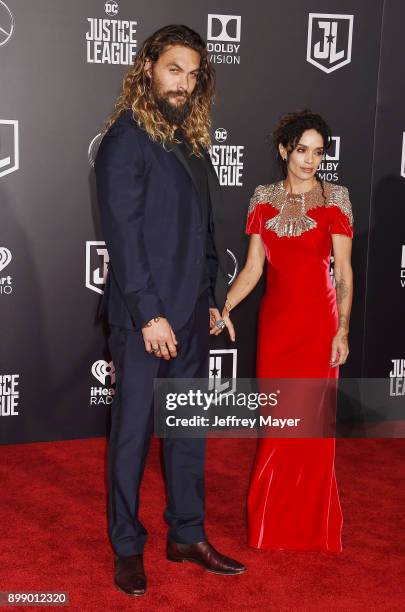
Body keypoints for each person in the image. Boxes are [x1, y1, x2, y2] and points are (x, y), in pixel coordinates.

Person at [94, 24, 245, 597]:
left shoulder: (190, 139)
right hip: (145, 320)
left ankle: (186, 534)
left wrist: (208, 300)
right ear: (148, 68)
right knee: (132, 435)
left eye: (193, 72)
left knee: (187, 433)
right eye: (173, 69)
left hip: (190, 314)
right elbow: (125, 237)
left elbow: (205, 230)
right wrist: (150, 313)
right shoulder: (125, 140)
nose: (183, 82)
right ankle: (127, 547)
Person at [221, 110, 353, 552]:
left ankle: (312, 526)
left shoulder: (336, 197)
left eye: (318, 152)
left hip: (320, 325)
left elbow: (344, 274)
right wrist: (226, 305)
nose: (309, 160)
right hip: (277, 328)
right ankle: (271, 524)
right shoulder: (263, 198)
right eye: (301, 150)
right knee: (278, 426)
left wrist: (343, 331)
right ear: (284, 150)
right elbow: (255, 267)